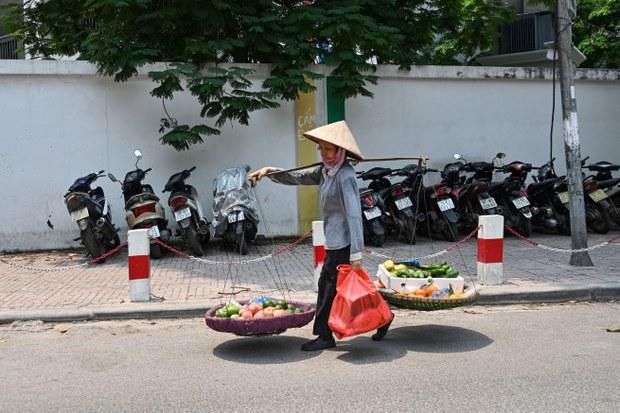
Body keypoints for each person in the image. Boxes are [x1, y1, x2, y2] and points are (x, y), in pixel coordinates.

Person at [249, 121, 392, 351]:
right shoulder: (326, 171)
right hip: (333, 241)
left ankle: (325, 335)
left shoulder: (345, 175)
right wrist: (269, 172)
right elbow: (298, 176)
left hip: (343, 244)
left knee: (328, 288)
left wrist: (356, 252)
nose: (324, 153)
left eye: (329, 149)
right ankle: (384, 317)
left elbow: (354, 215)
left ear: (340, 151)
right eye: (322, 148)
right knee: (343, 290)